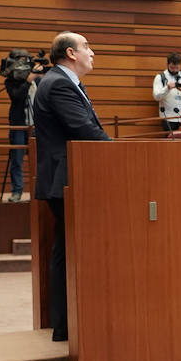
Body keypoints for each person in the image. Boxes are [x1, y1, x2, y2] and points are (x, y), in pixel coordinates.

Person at [33, 32, 111, 342]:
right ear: (70, 53)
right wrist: (118, 151)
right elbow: (83, 129)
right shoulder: (59, 84)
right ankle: (67, 325)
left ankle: (65, 325)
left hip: (68, 177)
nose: (92, 53)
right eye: (86, 47)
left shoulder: (62, 82)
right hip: (66, 179)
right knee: (70, 251)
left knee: (66, 250)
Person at [2, 49, 39, 202]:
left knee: (39, 160)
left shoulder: (38, 79)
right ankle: (17, 192)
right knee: (17, 160)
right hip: (19, 125)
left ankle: (39, 192)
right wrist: (28, 81)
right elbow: (17, 96)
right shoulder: (11, 81)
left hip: (36, 126)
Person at [153, 52, 181, 131]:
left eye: (177, 68)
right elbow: (156, 96)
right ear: (167, 64)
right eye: (172, 68)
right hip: (168, 117)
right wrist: (167, 88)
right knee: (170, 138)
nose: (174, 70)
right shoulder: (160, 77)